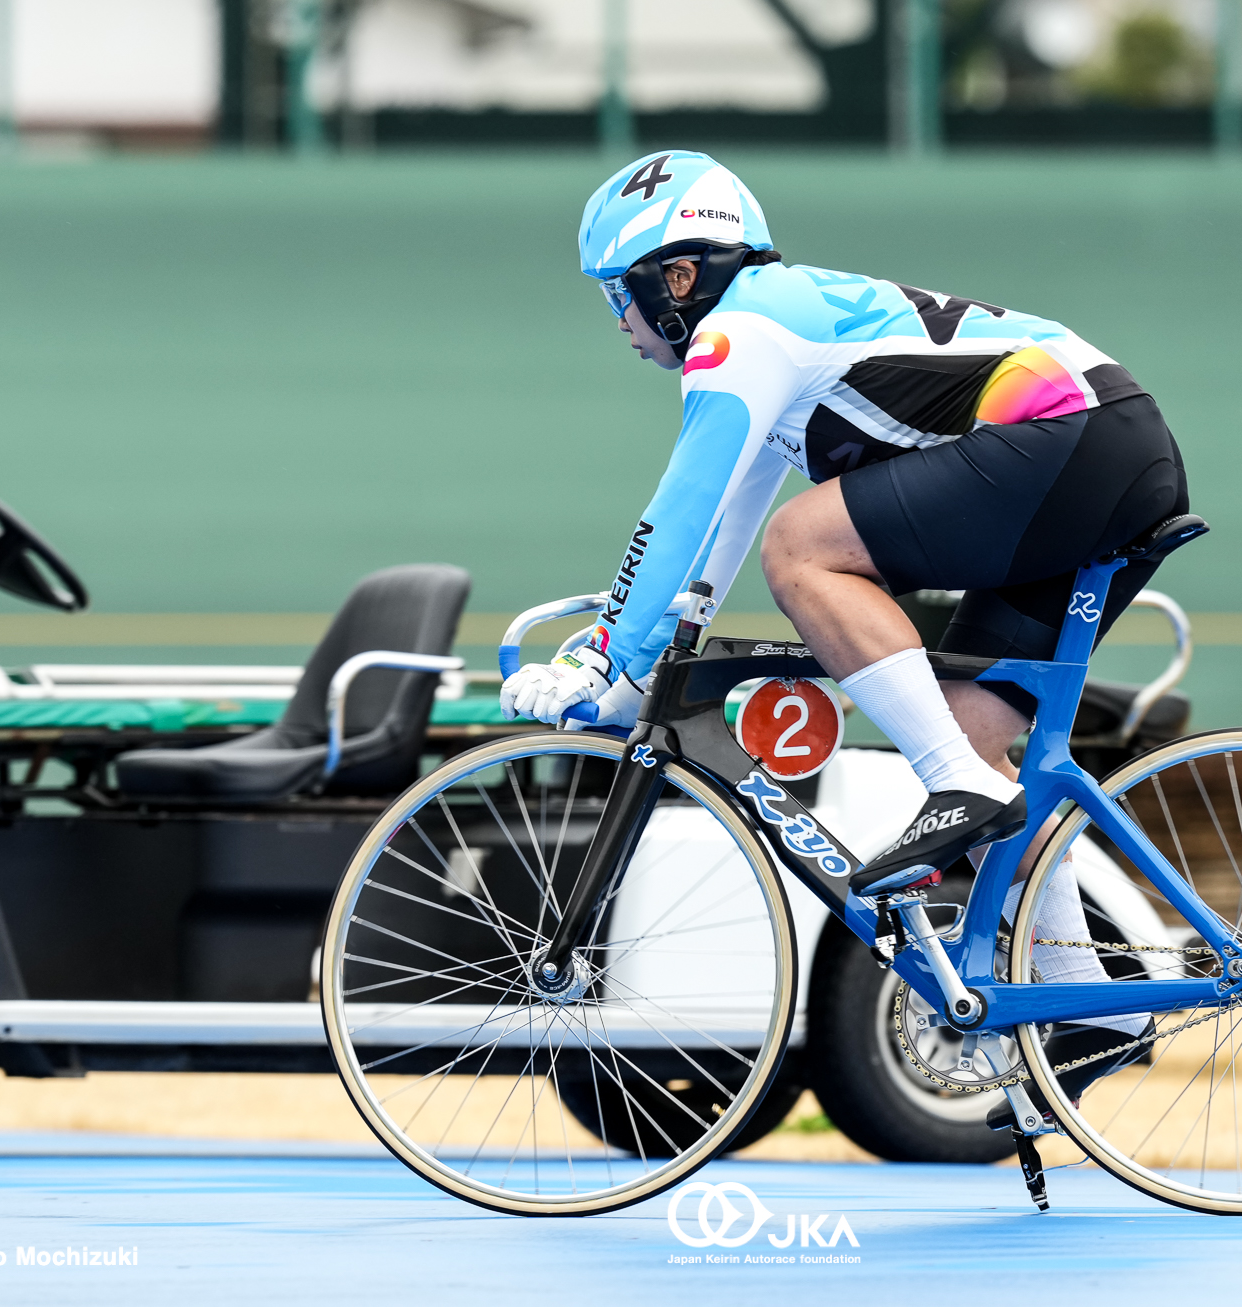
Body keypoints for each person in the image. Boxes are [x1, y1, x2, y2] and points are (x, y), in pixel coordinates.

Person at [502, 150, 1189, 923]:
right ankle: (1095, 1007)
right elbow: (715, 534)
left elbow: (680, 504)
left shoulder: (743, 331)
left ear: (678, 279)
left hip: (1076, 439)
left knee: (802, 545)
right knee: (969, 735)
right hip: (1098, 450)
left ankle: (958, 782)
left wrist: (598, 651)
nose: (618, 320)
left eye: (617, 291)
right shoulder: (773, 337)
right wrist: (642, 664)